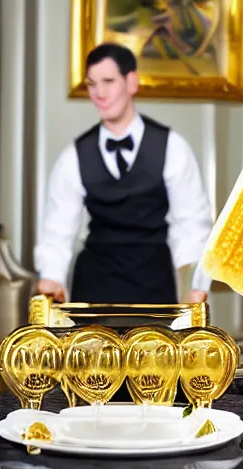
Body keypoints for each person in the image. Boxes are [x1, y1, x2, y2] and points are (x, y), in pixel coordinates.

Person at [34, 42, 213, 304]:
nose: (99, 93)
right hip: (94, 288)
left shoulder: (173, 147)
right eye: (92, 84)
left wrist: (194, 286)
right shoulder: (74, 155)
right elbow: (57, 231)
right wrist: (52, 278)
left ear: (132, 83)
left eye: (108, 81)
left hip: (155, 287)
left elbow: (191, 226)